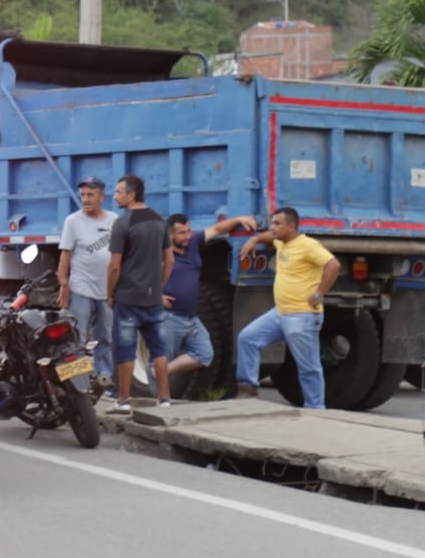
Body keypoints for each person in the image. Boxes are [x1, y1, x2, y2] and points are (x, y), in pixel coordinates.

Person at [235, 207, 339, 409]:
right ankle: (248, 389)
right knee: (247, 338)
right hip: (280, 313)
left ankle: (316, 409)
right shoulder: (281, 242)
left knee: (308, 368)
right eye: (272, 223)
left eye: (277, 224)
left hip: (302, 315)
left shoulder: (308, 245)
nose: (272, 227)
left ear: (291, 227)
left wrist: (319, 294)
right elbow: (268, 237)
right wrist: (255, 239)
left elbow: (333, 265)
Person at [106, 175, 174, 413]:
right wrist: (159, 287)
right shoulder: (160, 221)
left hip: (127, 298)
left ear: (131, 195)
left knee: (126, 352)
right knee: (159, 350)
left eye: (118, 192)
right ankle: (164, 399)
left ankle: (123, 400)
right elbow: (170, 260)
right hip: (153, 300)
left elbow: (114, 266)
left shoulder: (123, 223)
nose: (114, 196)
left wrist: (110, 293)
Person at [163, 212, 258, 377]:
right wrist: (156, 296)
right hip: (170, 317)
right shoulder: (160, 253)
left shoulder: (193, 242)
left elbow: (216, 229)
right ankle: (160, 398)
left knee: (204, 354)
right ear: (170, 236)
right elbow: (138, 276)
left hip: (191, 317)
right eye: (182, 233)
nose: (188, 236)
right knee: (161, 359)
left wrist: (238, 219)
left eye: (189, 231)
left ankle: (163, 373)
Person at [57, 176, 118, 395]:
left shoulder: (114, 220)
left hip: (106, 291)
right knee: (77, 338)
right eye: (82, 195)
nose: (85, 199)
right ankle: (76, 384)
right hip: (81, 289)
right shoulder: (72, 221)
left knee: (107, 338)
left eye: (90, 195)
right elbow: (65, 256)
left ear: (102, 197)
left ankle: (105, 381)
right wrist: (64, 284)